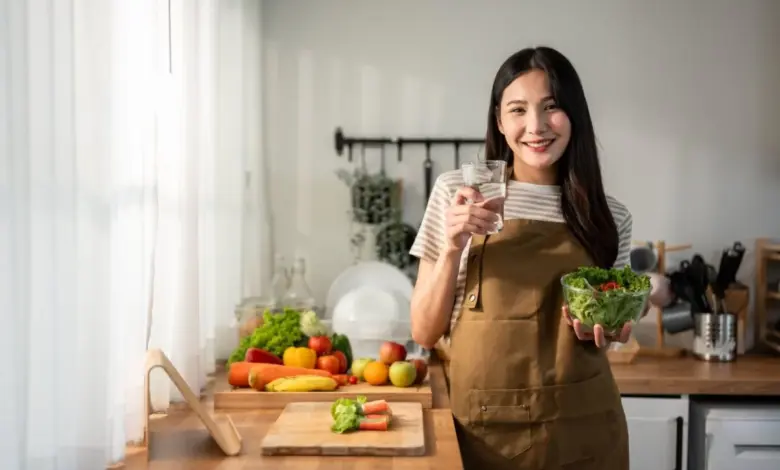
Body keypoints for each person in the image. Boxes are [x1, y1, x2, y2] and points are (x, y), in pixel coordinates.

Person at [408, 46, 671, 470]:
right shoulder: (458, 194)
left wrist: (614, 328)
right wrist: (453, 246)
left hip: (585, 431)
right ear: (499, 120)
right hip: (486, 433)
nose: (535, 126)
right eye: (518, 109)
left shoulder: (610, 215)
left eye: (551, 107)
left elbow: (613, 319)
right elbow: (423, 331)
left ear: (575, 116)